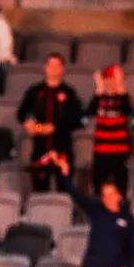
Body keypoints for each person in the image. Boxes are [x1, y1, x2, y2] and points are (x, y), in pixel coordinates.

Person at [50, 152, 134, 267]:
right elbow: (75, 194)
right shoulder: (96, 210)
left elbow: (131, 247)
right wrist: (65, 171)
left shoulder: (127, 218)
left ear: (119, 196)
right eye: (104, 195)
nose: (107, 199)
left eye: (111, 195)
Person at [17, 54, 84, 193]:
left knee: (64, 191)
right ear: (45, 68)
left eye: (56, 66)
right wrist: (29, 124)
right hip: (40, 150)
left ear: (62, 69)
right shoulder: (35, 91)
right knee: (40, 192)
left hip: (62, 151)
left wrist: (55, 128)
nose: (53, 69)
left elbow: (77, 120)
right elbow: (21, 113)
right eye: (50, 65)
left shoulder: (69, 93)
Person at [87, 65, 133, 194]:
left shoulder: (124, 99)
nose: (114, 83)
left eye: (119, 79)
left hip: (120, 153)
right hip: (101, 152)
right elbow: (89, 114)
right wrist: (99, 90)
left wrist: (121, 90)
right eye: (112, 79)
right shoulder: (99, 99)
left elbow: (129, 112)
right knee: (97, 189)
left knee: (121, 190)